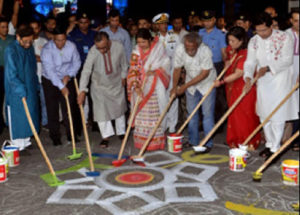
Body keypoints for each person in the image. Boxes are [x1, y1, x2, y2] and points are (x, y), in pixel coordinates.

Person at [243, 12, 298, 160]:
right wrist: (248, 77)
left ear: (271, 26)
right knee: (264, 114)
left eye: (264, 30)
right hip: (263, 82)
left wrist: (267, 68)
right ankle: (269, 144)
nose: (261, 34)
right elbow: (250, 62)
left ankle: (276, 148)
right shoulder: (254, 41)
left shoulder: (284, 37)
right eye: (258, 30)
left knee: (277, 115)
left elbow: (287, 60)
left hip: (280, 79)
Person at [77, 32, 128, 148]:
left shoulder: (118, 46)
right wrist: (82, 90)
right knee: (101, 111)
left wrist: (124, 76)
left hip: (116, 83)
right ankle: (106, 136)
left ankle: (121, 132)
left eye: (104, 47)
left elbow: (124, 64)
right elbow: (86, 71)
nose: (102, 51)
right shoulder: (93, 51)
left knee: (119, 108)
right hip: (99, 86)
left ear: (109, 41)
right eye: (99, 48)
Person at [214, 26, 260, 150]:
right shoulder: (232, 50)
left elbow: (239, 73)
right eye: (229, 40)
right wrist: (226, 60)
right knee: (234, 115)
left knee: (245, 115)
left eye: (233, 41)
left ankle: (248, 141)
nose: (230, 43)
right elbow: (226, 57)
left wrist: (221, 82)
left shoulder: (245, 54)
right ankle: (236, 139)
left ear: (241, 41)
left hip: (244, 87)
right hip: (232, 88)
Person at [172, 32, 216, 153]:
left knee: (207, 115)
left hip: (206, 83)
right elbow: (177, 69)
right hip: (191, 83)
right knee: (191, 115)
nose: (190, 51)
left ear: (198, 45)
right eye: (187, 48)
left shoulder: (205, 50)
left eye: (192, 49)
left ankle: (207, 142)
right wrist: (174, 87)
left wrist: (184, 86)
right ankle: (193, 140)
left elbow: (204, 74)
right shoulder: (180, 49)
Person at [127, 28, 170, 151]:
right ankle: (142, 142)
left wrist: (156, 71)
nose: (141, 45)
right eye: (139, 42)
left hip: (155, 86)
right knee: (141, 114)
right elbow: (133, 69)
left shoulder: (158, 49)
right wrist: (136, 85)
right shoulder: (136, 52)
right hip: (140, 85)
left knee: (155, 115)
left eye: (143, 42)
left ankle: (155, 142)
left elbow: (166, 63)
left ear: (150, 40)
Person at [41, 27, 81, 146]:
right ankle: (55, 137)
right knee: (52, 109)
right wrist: (61, 87)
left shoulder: (71, 46)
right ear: (53, 38)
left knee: (69, 108)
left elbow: (77, 62)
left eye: (63, 40)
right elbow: (50, 71)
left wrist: (69, 75)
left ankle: (71, 135)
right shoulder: (47, 49)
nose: (61, 43)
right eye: (58, 40)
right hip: (50, 80)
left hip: (66, 78)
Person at [4, 25, 40, 150]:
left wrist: (35, 85)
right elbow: (11, 74)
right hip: (15, 89)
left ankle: (26, 141)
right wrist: (20, 90)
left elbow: (32, 68)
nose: (28, 44)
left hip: (30, 86)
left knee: (30, 112)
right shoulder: (11, 50)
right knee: (18, 115)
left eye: (30, 41)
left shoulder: (29, 48)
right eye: (25, 41)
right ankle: (17, 145)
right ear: (18, 37)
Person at [199, 10, 227, 130]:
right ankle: (203, 121)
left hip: (216, 65)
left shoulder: (221, 34)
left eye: (209, 20)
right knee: (201, 92)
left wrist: (224, 70)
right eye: (204, 21)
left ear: (214, 20)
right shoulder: (200, 33)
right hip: (201, 66)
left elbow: (224, 54)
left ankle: (218, 122)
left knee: (218, 96)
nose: (207, 23)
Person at [153, 13, 180, 133]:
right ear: (156, 26)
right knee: (161, 98)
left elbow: (179, 53)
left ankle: (172, 125)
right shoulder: (154, 38)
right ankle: (162, 125)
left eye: (165, 23)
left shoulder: (174, 36)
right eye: (161, 24)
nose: (164, 26)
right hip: (160, 73)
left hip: (173, 70)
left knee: (173, 97)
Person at [30, 19, 48, 128]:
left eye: (36, 28)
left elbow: (48, 59)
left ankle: (45, 123)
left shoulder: (44, 41)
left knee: (44, 102)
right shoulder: (26, 41)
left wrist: (38, 58)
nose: (34, 30)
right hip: (31, 77)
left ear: (39, 28)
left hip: (42, 76)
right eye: (31, 28)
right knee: (32, 103)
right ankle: (33, 123)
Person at [286, 9, 299, 151]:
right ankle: (292, 138)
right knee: (293, 106)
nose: (298, 23)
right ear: (291, 21)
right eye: (296, 20)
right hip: (290, 74)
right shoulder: (286, 35)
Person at [0, 17, 14, 134]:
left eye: (6, 27)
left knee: (11, 98)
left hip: (10, 71)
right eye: (2, 27)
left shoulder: (12, 39)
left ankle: (11, 124)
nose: (5, 29)